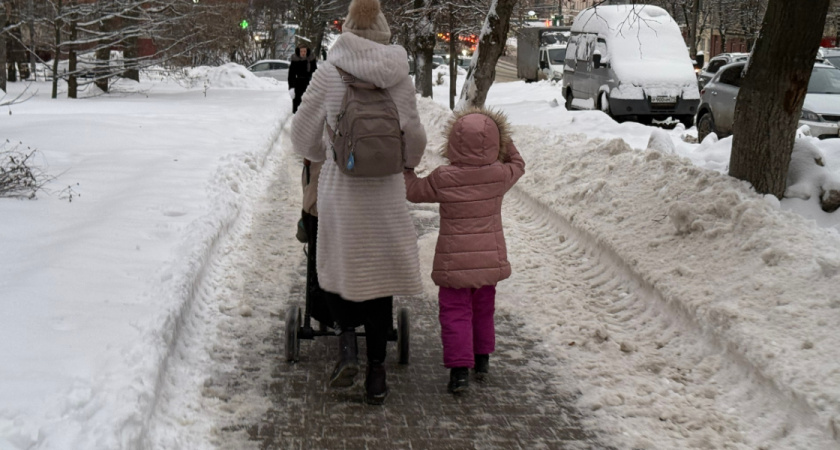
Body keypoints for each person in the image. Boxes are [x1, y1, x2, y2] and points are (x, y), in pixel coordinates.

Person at [290, 0, 426, 405]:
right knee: (379, 280)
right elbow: (415, 140)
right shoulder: (399, 77)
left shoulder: (330, 73)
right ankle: (377, 374)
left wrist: (327, 149)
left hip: (341, 193)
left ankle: (346, 345)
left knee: (334, 270)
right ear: (383, 31)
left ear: (347, 30)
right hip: (385, 194)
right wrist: (401, 161)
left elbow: (301, 137)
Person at [403, 107, 526, 394]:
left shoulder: (444, 177)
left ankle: (459, 371)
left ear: (453, 142)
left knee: (455, 312)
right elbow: (518, 164)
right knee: (483, 309)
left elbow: (414, 191)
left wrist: (406, 170)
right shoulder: (499, 175)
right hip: (488, 260)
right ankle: (481, 360)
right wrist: (504, 142)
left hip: (453, 262)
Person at [289, 44, 317, 113]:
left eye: (304, 51)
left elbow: (315, 73)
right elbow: (291, 75)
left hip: (309, 84)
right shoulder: (295, 60)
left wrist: (316, 85)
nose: (303, 53)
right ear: (299, 51)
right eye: (301, 51)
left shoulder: (311, 59)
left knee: (309, 106)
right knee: (297, 105)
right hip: (298, 84)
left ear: (307, 51)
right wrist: (291, 87)